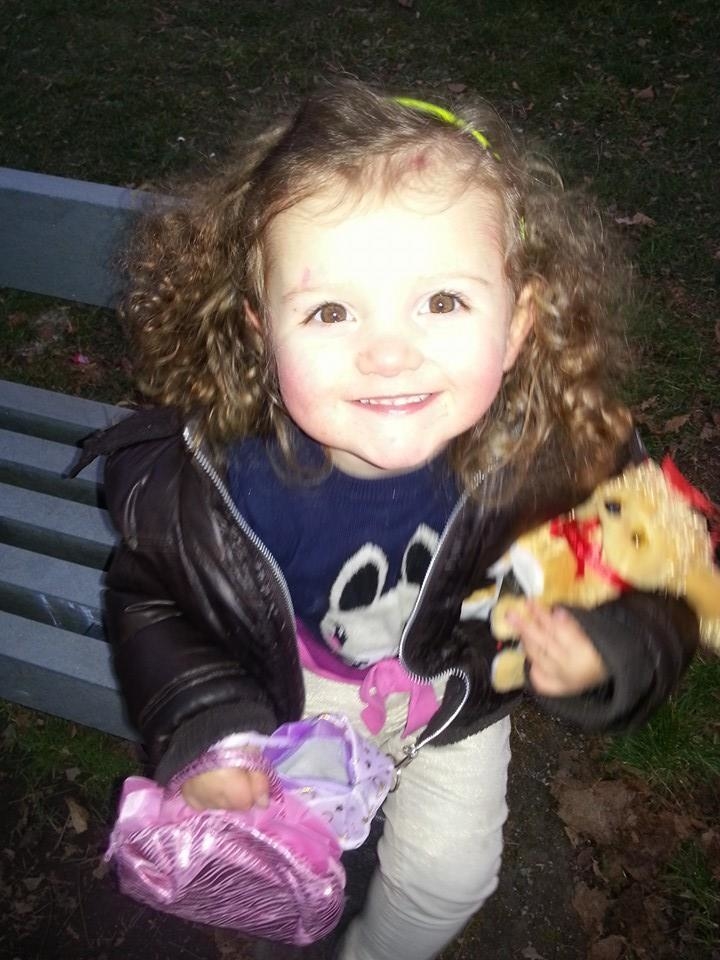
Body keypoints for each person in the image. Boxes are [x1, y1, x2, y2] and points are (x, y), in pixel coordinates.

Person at [87, 81, 698, 960]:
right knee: (284, 854)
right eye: (330, 311)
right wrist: (216, 729)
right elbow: (157, 602)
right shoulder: (218, 479)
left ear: (518, 324)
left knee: (450, 877)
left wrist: (610, 645)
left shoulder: (562, 452)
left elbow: (662, 564)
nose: (386, 352)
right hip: (296, 684)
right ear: (261, 331)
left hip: (455, 694)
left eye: (442, 302)